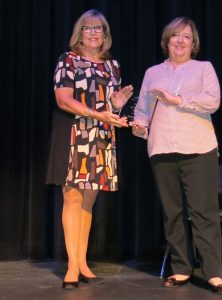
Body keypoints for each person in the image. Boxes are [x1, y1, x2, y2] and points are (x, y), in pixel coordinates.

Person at [132, 17, 222, 295]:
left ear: (193, 42)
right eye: (175, 35)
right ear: (167, 40)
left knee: (204, 213)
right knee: (172, 214)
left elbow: (213, 101)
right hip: (162, 148)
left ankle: (213, 273)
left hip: (198, 148)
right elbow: (142, 109)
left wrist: (180, 101)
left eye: (186, 36)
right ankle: (181, 269)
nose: (180, 40)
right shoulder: (152, 73)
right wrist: (139, 127)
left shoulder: (203, 68)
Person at [46, 9, 133, 289]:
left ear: (105, 35)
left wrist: (117, 104)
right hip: (74, 132)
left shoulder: (112, 66)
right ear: (79, 33)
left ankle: (82, 261)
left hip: (101, 135)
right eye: (87, 28)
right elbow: (63, 100)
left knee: (88, 201)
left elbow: (109, 107)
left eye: (99, 28)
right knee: (72, 198)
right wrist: (100, 114)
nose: (93, 32)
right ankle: (72, 266)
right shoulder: (67, 60)